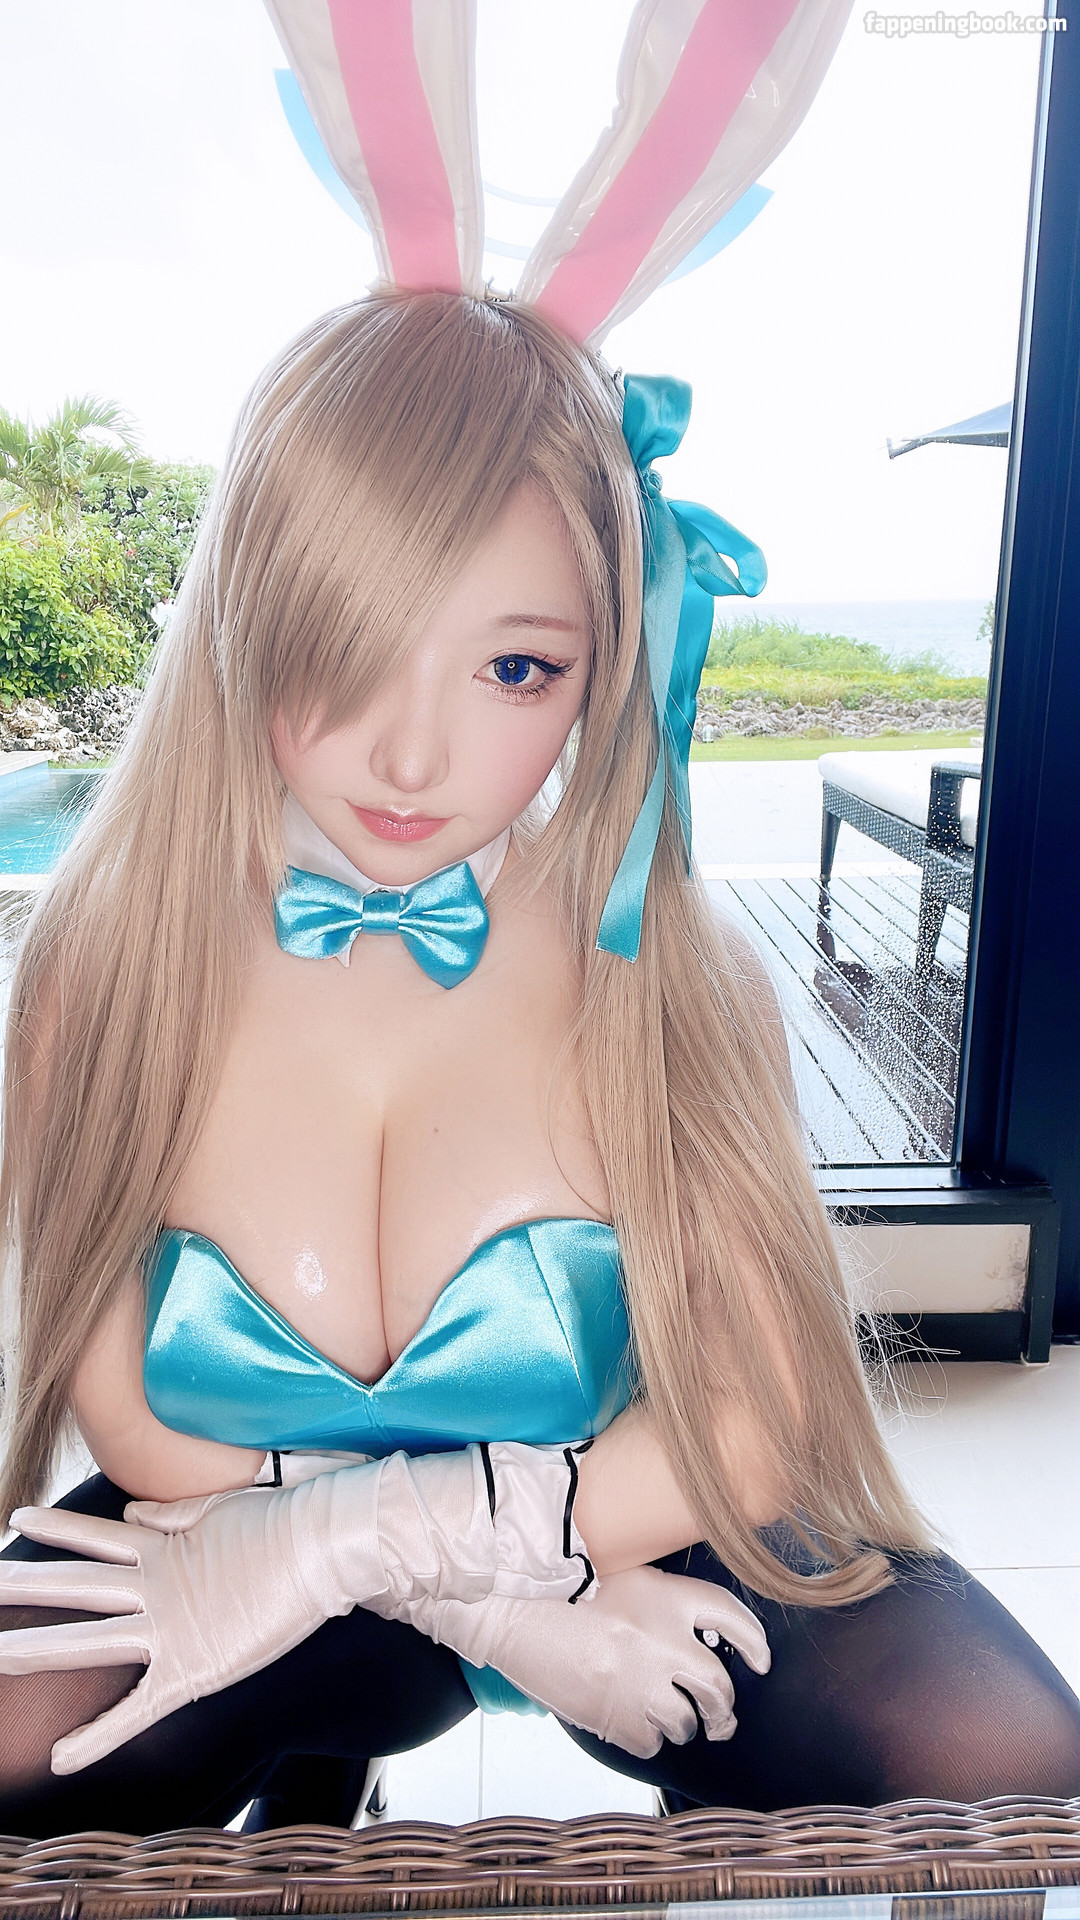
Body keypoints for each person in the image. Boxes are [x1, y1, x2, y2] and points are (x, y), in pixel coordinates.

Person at [0, 290, 1077, 1841]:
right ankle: (331, 1748)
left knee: (1004, 1758)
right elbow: (145, 1434)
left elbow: (754, 1422)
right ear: (244, 609)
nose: (412, 757)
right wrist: (498, 1610)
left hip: (636, 1523)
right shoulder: (107, 963)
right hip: (235, 1539)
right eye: (348, 643)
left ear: (607, 664)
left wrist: (517, 1552)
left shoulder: (673, 975)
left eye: (516, 669)